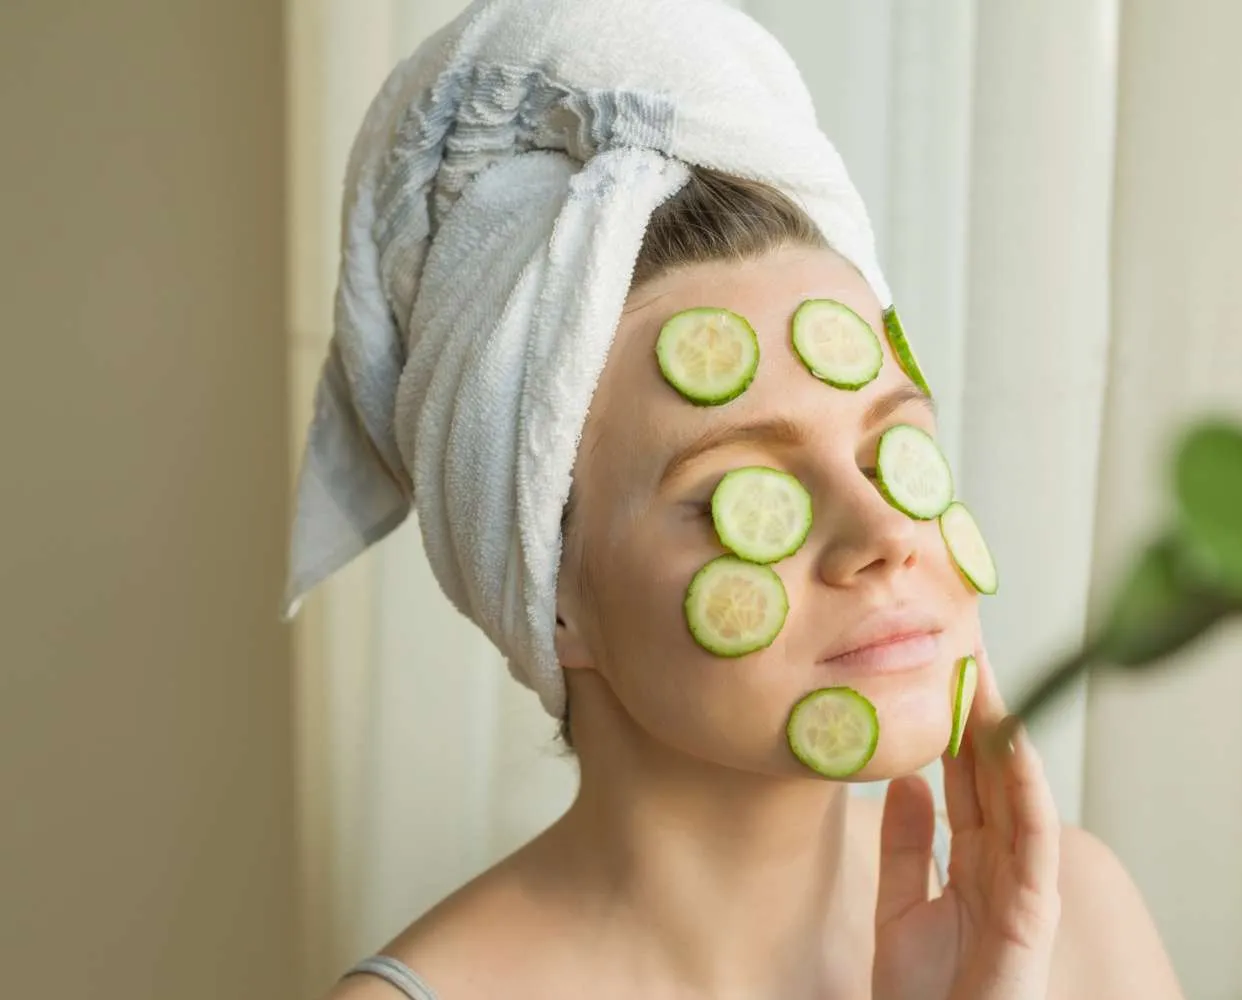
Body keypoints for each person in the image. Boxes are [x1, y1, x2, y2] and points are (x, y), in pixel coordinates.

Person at [293, 2, 1183, 997]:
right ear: (550, 594)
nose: (886, 533)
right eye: (736, 494)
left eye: (896, 448)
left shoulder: (1071, 923)